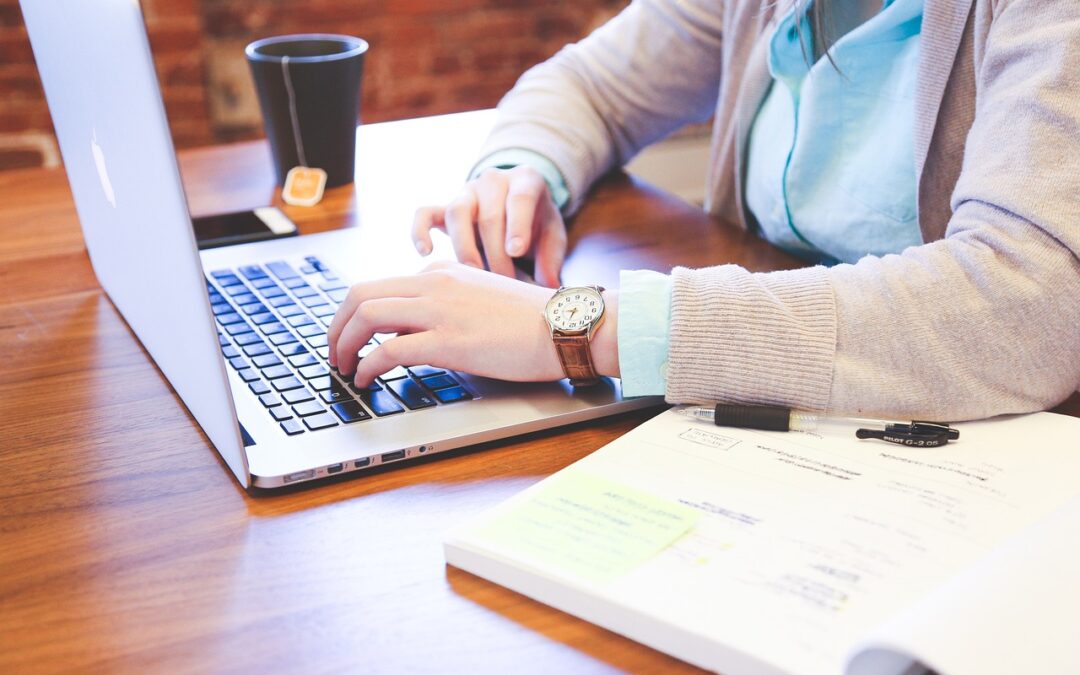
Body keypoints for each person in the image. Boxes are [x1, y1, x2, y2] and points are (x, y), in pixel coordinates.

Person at [328, 0, 1080, 421]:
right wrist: (520, 170)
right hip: (773, 421)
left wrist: (580, 328)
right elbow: (591, 85)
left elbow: (1029, 302)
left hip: (977, 453)